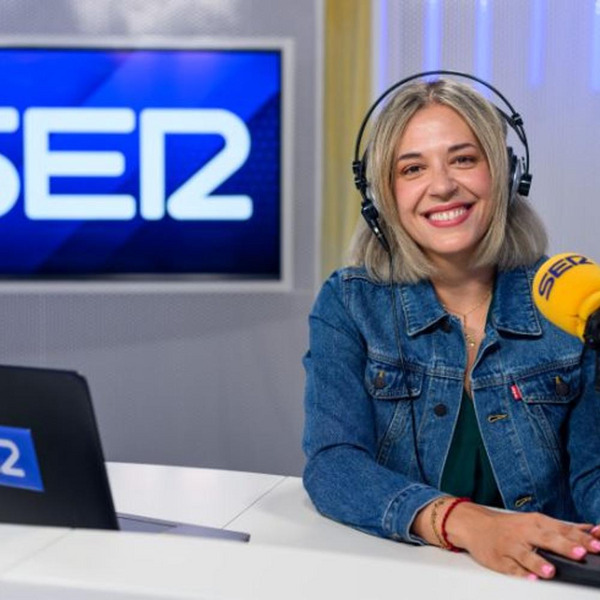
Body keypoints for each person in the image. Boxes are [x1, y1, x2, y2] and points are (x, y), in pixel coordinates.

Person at [302, 76, 600, 580]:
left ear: (506, 175)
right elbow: (333, 464)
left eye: (463, 159)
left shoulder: (572, 302)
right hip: (397, 577)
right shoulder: (350, 303)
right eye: (412, 168)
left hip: (542, 579)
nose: (441, 186)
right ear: (381, 197)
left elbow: (593, 474)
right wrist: (467, 524)